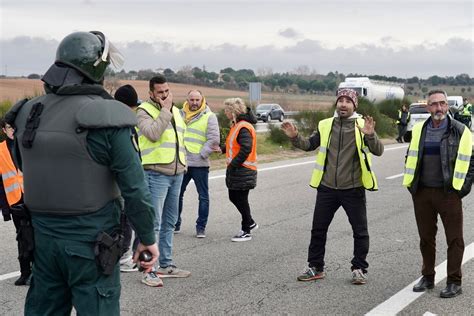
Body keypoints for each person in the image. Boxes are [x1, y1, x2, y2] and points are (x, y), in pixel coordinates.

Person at [6, 31, 158, 315]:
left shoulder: (28, 112)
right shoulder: (107, 116)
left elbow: (25, 163)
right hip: (91, 243)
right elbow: (135, 188)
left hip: (43, 243)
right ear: (97, 69)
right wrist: (147, 238)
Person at [281, 88, 384, 285]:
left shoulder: (363, 125)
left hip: (353, 188)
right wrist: (294, 137)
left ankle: (359, 268)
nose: (343, 104)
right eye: (340, 100)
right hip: (327, 187)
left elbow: (378, 151)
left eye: (348, 101)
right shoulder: (326, 124)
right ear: (336, 103)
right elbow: (310, 144)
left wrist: (370, 135)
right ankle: (315, 267)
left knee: (360, 231)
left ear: (355, 105)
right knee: (318, 229)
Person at [403, 90, 473, 298]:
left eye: (442, 103)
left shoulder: (460, 131)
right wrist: (412, 186)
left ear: (447, 105)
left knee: (455, 239)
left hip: (448, 193)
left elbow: (471, 162)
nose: (439, 108)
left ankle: (454, 281)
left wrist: (461, 189)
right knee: (426, 238)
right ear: (427, 107)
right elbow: (411, 156)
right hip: (422, 192)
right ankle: (428, 277)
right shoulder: (419, 130)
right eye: (434, 104)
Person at [136, 75, 191, 286]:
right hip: (155, 174)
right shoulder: (143, 112)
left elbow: (179, 141)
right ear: (151, 93)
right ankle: (148, 269)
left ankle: (166, 264)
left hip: (176, 173)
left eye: (167, 91)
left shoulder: (177, 111)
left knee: (169, 222)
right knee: (152, 224)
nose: (165, 95)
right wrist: (165, 111)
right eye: (160, 92)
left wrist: (184, 165)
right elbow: (152, 134)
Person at [176, 90, 220, 238]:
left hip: (200, 164)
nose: (194, 103)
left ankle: (201, 227)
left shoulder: (209, 116)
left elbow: (214, 139)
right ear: (187, 100)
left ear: (202, 100)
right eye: (192, 100)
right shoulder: (179, 115)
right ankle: (175, 224)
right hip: (182, 162)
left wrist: (202, 154)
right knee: (177, 195)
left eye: (197, 100)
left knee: (203, 196)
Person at [0, 118, 32, 286]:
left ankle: (41, 271)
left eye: (13, 127)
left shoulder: (26, 145)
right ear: (4, 130)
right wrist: (5, 209)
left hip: (33, 198)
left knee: (38, 235)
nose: (12, 130)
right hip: (14, 200)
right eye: (8, 128)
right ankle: (25, 272)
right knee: (22, 237)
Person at [222, 98, 258, 242]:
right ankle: (249, 222)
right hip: (239, 169)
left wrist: (234, 164)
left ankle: (246, 230)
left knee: (241, 199)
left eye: (226, 110)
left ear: (233, 111)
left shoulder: (243, 126)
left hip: (243, 169)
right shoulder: (237, 125)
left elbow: (246, 148)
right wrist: (222, 148)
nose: (225, 113)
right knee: (235, 197)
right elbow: (235, 145)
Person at [114, 84, 140, 272]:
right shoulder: (123, 127)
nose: (135, 110)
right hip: (121, 182)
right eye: (133, 106)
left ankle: (120, 252)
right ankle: (123, 254)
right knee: (125, 218)